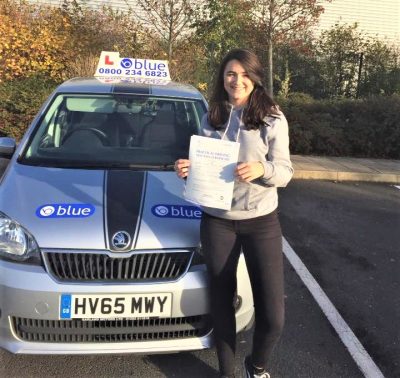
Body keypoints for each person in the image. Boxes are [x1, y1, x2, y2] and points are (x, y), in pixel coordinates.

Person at [174, 48, 293, 378]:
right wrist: (188, 168)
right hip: (217, 222)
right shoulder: (212, 114)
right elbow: (204, 162)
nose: (236, 80)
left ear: (254, 78)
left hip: (260, 222)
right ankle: (227, 372)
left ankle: (256, 365)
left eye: (243, 74)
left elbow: (285, 171)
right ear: (222, 78)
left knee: (273, 315)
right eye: (230, 73)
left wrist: (262, 168)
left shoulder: (272, 118)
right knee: (222, 304)